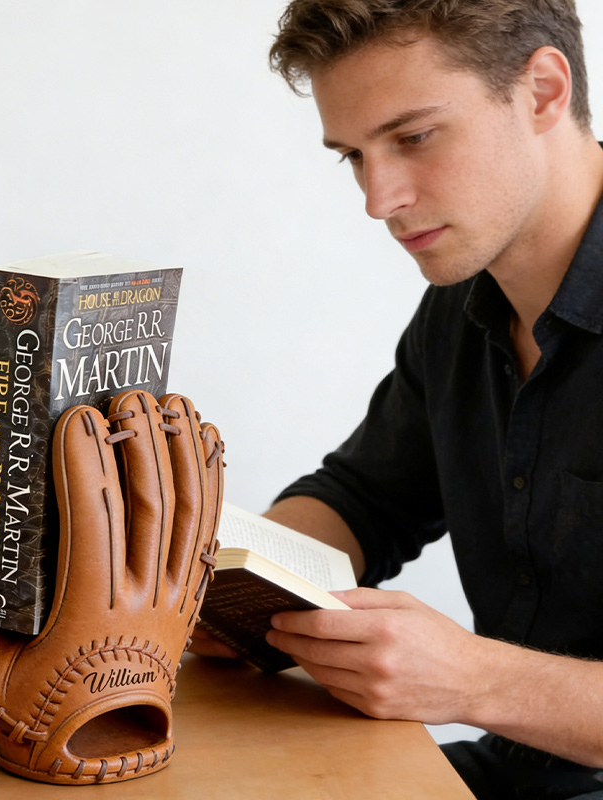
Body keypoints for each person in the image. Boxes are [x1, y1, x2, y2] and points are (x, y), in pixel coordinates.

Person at [192, 2, 603, 797]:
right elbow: (365, 499)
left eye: (414, 137)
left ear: (544, 91)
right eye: (353, 154)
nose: (378, 200)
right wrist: (226, 589)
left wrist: (477, 683)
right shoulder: (463, 302)